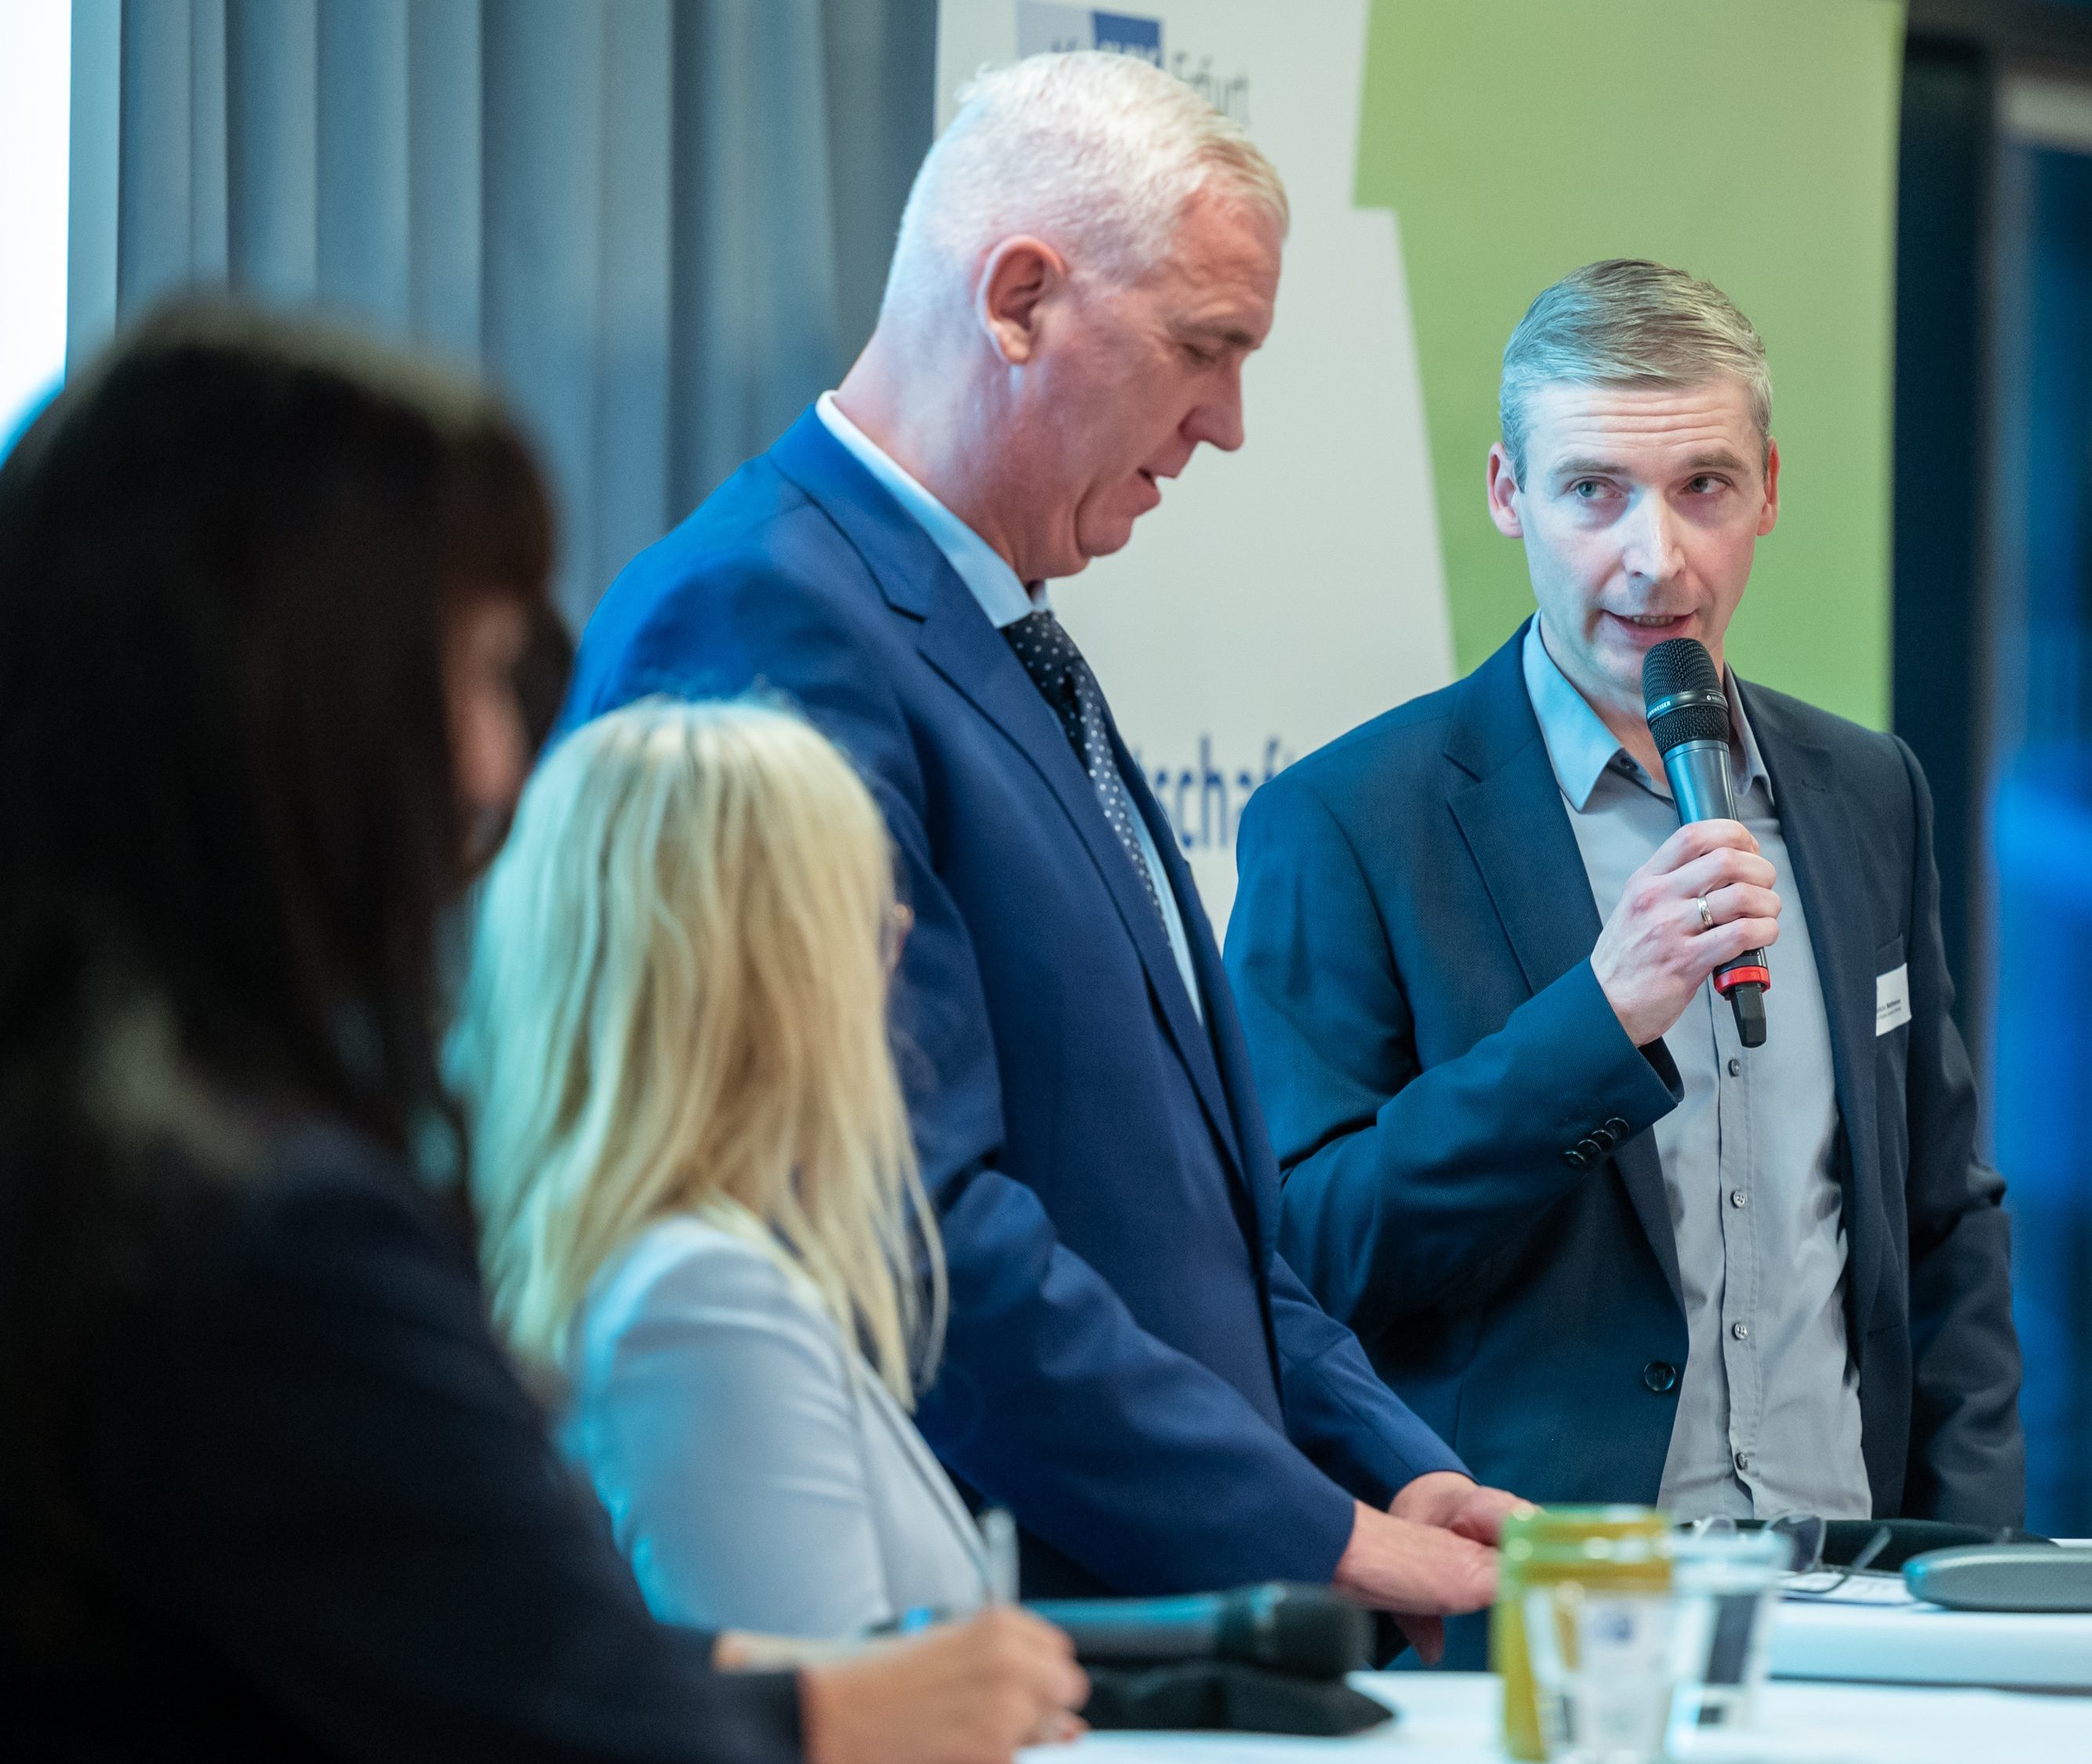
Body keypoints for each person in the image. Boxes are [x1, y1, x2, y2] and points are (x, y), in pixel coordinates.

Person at [0, 306, 1082, 1760]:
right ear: (307, 691)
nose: (498, 760)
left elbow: (450, 1645)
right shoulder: (266, 1239)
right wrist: (817, 1711)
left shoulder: (89, 1150)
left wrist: (748, 1684)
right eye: (472, 668)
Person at [558, 51, 1518, 1645]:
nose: (1227, 425)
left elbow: (1192, 1221)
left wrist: (1386, 1466)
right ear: (1017, 300)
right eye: (1203, 349)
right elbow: (911, 1224)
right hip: (976, 1643)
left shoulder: (992, 627)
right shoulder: (769, 618)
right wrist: (1324, 1537)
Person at [1226, 259, 2026, 1619]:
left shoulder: (1868, 790)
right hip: (1531, 1602)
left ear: (1770, 490)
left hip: (1860, 1600)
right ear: (1507, 494)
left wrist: (1966, 1556)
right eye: (1593, 490)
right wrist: (1597, 1024)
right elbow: (1303, 1249)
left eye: (1704, 486)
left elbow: (1939, 1212)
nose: (1655, 556)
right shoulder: (1352, 820)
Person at [460, 698, 994, 1639]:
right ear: (771, 978)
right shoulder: (704, 1305)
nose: (893, 956)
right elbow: (835, 1707)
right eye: (866, 922)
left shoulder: (670, 1279)